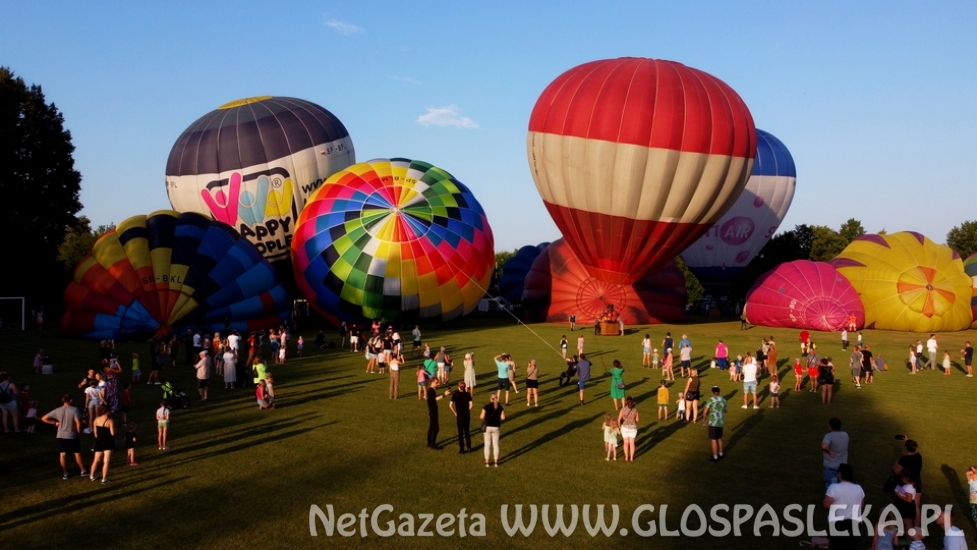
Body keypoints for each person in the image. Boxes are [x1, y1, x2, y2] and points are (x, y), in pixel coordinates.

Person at [41, 394, 88, 479]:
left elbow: (44, 418)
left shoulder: (57, 410)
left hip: (60, 435)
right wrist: (79, 433)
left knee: (62, 454)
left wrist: (54, 423)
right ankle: (83, 470)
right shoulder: (74, 410)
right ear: (70, 400)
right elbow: (78, 423)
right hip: (72, 435)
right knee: (76, 453)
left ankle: (65, 473)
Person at [823, 463, 865, 550]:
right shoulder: (859, 488)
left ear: (840, 474)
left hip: (838, 525)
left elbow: (826, 504)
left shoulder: (833, 487)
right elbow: (861, 506)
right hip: (855, 526)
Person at [88, 405, 115, 483]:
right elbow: (112, 433)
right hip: (108, 442)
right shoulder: (110, 421)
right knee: (106, 461)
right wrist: (116, 429)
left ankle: (92, 475)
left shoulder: (96, 419)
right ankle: (104, 479)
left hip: (99, 442)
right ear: (107, 411)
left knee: (96, 460)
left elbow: (95, 433)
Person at [822, 417, 849, 488]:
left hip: (831, 467)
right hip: (843, 467)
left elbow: (824, 446)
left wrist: (829, 451)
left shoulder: (829, 436)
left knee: (832, 489)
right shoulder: (845, 435)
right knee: (842, 488)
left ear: (830, 426)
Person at [480, 394, 506, 467]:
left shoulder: (486, 407)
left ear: (490, 399)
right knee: (495, 444)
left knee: (487, 444)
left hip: (487, 427)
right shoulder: (500, 407)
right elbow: (503, 418)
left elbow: (481, 417)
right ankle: (496, 462)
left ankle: (487, 462)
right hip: (496, 427)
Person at [702, 386, 726, 462]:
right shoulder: (723, 400)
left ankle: (715, 456)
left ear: (712, 392)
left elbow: (705, 411)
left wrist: (704, 417)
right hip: (720, 422)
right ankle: (721, 453)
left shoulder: (710, 400)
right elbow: (726, 410)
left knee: (713, 439)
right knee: (719, 438)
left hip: (713, 422)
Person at [425, 378, 451, 449]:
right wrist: (444, 395)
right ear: (432, 382)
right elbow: (435, 399)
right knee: (436, 428)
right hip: (433, 411)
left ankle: (429, 441)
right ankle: (432, 443)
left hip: (433, 410)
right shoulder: (431, 390)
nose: (438, 384)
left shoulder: (432, 390)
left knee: (432, 427)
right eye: (436, 382)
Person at [449, 381, 473, 454]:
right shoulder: (468, 394)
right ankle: (469, 447)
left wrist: (455, 413)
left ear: (458, 387)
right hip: (466, 415)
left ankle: (462, 449)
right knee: (467, 431)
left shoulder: (455, 394)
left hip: (459, 416)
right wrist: (467, 410)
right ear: (465, 387)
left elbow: (450, 405)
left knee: (460, 433)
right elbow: (471, 405)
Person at [617, 396, 639, 461]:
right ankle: (631, 458)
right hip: (633, 428)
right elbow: (637, 420)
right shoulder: (635, 410)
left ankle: (626, 457)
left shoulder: (623, 409)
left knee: (626, 443)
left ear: (626, 402)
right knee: (632, 443)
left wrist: (619, 427)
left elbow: (619, 419)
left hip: (624, 427)